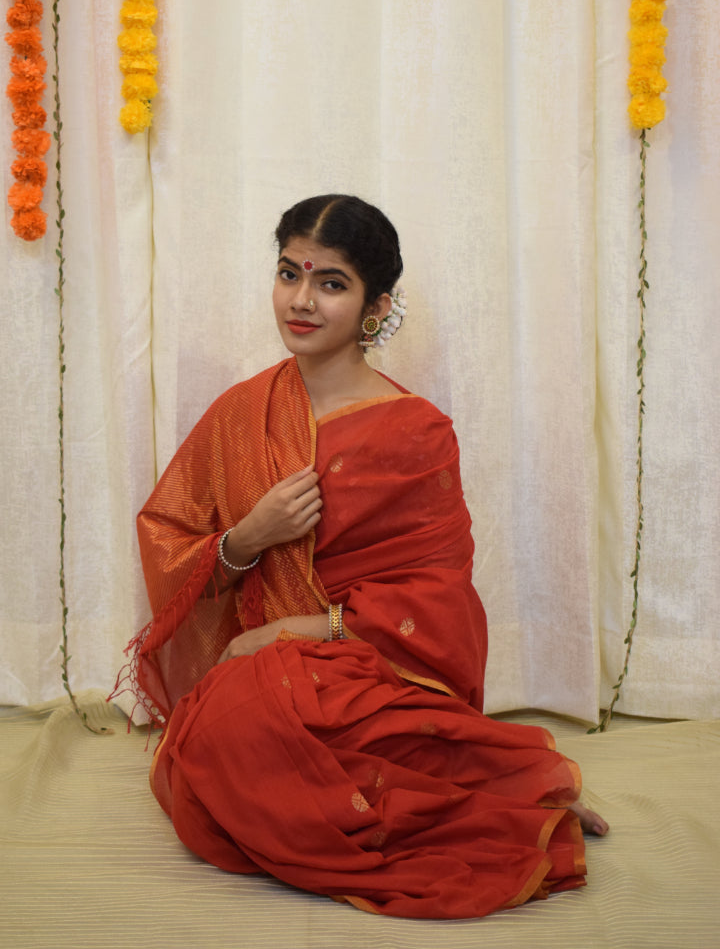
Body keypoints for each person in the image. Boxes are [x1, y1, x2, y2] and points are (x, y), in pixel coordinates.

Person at [119, 194, 607, 920]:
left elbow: (437, 602)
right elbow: (167, 532)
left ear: (376, 304)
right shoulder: (241, 411)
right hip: (266, 675)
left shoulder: (414, 430)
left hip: (367, 665)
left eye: (332, 283)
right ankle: (486, 784)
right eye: (289, 274)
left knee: (241, 724)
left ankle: (502, 788)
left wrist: (292, 631)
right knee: (220, 726)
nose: (301, 301)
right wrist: (247, 537)